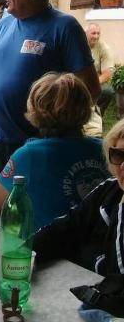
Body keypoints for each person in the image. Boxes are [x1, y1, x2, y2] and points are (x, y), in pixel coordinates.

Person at [0, 0, 101, 224]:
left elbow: (90, 88)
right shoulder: (4, 23)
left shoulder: (63, 27)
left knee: (24, 222)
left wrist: (58, 129)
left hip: (34, 147)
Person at [0, 73, 109, 231]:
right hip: (96, 249)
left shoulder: (29, 155)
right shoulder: (105, 149)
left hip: (46, 250)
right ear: (86, 108)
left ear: (36, 110)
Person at [33, 118, 124, 276]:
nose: (122, 166)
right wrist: (23, 253)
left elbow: (118, 272)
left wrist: (86, 252)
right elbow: (67, 227)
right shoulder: (110, 189)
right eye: (118, 155)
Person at [85, 23, 114, 115]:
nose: (96, 36)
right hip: (77, 78)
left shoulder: (104, 48)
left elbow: (107, 74)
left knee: (108, 91)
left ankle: (97, 115)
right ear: (86, 33)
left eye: (98, 33)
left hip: (96, 80)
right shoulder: (77, 44)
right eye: (93, 33)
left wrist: (93, 83)